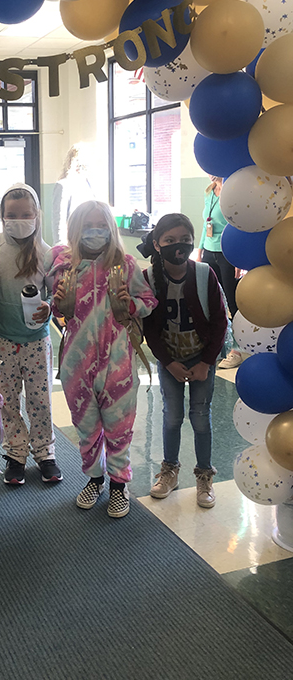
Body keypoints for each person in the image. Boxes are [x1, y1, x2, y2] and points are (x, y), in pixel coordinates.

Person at [46, 200, 157, 518]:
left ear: (111, 229)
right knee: (86, 426)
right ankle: (95, 479)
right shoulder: (64, 266)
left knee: (119, 427)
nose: (95, 232)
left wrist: (131, 305)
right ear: (75, 231)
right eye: (87, 226)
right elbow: (60, 312)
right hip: (76, 364)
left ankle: (119, 486)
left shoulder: (125, 265)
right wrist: (59, 306)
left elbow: (148, 299)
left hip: (118, 362)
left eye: (101, 226)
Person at [0, 183, 62, 486]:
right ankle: (15, 453)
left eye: (26, 214)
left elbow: (53, 295)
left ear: (36, 215)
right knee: (8, 400)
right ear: (2, 216)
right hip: (2, 341)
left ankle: (45, 453)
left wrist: (48, 307)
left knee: (41, 400)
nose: (20, 219)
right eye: (12, 214)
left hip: (37, 342)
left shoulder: (47, 253)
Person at [141, 213, 228, 508]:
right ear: (157, 244)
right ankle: (169, 470)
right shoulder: (149, 278)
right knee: (172, 416)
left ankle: (204, 474)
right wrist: (167, 362)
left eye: (184, 240)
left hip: (201, 357)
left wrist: (206, 362)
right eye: (169, 241)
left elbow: (219, 323)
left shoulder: (204, 273)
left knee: (201, 417)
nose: (177, 246)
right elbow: (149, 329)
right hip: (170, 361)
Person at [199, 176, 242, 369]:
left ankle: (237, 349)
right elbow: (205, 223)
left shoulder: (233, 190)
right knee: (210, 299)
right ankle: (215, 344)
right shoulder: (209, 192)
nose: (211, 174)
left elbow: (238, 224)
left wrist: (239, 257)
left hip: (228, 252)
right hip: (209, 250)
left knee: (232, 302)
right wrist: (199, 249)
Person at [52, 143, 94, 245]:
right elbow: (58, 221)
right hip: (71, 243)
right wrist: (60, 247)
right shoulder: (63, 185)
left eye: (85, 164)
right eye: (78, 163)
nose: (81, 167)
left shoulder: (90, 185)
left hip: (89, 242)